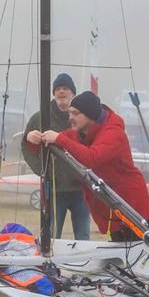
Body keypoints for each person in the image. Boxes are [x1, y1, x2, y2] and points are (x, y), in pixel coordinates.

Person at [41, 90, 149, 241]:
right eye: (69, 113)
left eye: (75, 114)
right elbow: (57, 140)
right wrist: (34, 138)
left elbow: (92, 157)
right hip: (113, 209)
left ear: (90, 115)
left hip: (132, 209)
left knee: (140, 258)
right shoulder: (82, 133)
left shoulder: (113, 132)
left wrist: (59, 139)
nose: (70, 118)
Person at [21, 73, 91, 240]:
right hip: (54, 189)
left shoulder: (82, 117)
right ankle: (51, 266)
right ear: (53, 93)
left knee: (83, 236)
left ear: (73, 93)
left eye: (65, 88)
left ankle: (81, 264)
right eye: (58, 89)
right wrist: (43, 170)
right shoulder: (40, 117)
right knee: (51, 237)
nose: (61, 92)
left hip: (81, 189)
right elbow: (26, 146)